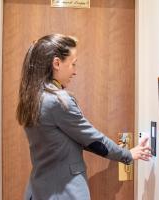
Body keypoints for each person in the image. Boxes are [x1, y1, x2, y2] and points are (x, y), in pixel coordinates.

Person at [16, 34, 151, 200]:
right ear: (57, 63)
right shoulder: (58, 101)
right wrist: (127, 154)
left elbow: (79, 138)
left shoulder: (33, 96)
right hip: (64, 192)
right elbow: (92, 139)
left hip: (39, 190)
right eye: (73, 64)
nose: (75, 71)